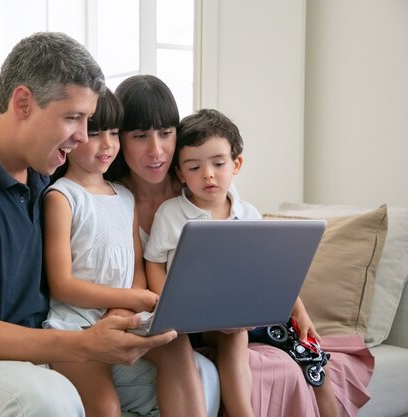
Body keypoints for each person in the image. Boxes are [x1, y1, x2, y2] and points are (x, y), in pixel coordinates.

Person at [0, 32, 191, 417]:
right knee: (48, 402)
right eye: (73, 118)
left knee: (200, 377)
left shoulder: (48, 176)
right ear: (23, 102)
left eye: (88, 120)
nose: (82, 137)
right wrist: (83, 344)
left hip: (39, 350)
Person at [143, 108, 339, 417]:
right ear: (180, 173)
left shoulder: (248, 214)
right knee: (234, 336)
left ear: (236, 165)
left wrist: (300, 312)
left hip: (241, 312)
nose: (207, 174)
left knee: (311, 356)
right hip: (192, 322)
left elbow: (270, 273)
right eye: (194, 167)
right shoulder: (172, 214)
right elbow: (153, 262)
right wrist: (168, 306)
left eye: (218, 164)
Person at [43, 89, 206, 417]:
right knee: (105, 407)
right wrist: (139, 300)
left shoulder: (124, 197)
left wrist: (129, 306)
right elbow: (61, 285)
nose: (107, 144)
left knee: (175, 344)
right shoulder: (61, 198)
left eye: (114, 133)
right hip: (75, 326)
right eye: (94, 133)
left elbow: (135, 268)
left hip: (123, 316)